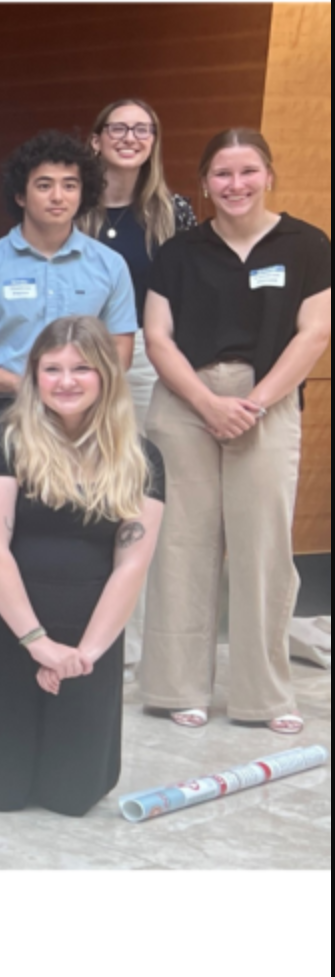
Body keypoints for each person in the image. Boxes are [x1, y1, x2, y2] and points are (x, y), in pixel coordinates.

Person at [141, 129, 330, 737]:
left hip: (266, 402)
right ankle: (176, 688)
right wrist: (206, 402)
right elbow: (157, 337)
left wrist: (252, 404)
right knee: (180, 547)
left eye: (248, 171)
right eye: (222, 174)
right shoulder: (180, 251)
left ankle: (264, 695)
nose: (236, 185)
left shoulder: (308, 244)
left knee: (264, 549)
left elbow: (315, 333)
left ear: (269, 175)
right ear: (205, 184)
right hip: (184, 400)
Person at [0, 131, 135, 677]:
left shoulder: (108, 267)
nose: (58, 196)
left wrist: (67, 394)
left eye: (70, 185)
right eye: (43, 184)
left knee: (66, 545)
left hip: (81, 429)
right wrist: (30, 388)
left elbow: (119, 351)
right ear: (20, 195)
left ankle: (63, 658)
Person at [0, 316, 164, 815]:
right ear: (34, 375)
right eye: (52, 369)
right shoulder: (4, 442)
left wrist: (81, 656)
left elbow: (131, 565)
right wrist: (38, 644)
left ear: (106, 377)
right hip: (7, 627)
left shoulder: (141, 456)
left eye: (82, 369)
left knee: (72, 797)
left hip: (88, 634)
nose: (66, 381)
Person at [85, 98, 199, 423]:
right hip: (78, 345)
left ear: (153, 141)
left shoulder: (173, 212)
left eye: (142, 130)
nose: (130, 138)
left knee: (143, 458)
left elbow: (189, 290)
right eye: (118, 128)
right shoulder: (72, 207)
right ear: (96, 141)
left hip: (146, 351)